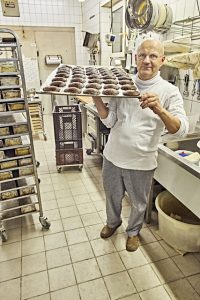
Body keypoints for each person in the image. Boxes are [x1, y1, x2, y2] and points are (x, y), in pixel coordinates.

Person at [92, 39, 189, 252]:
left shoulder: (169, 91)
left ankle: (133, 232)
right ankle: (112, 222)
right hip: (113, 156)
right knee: (112, 196)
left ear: (162, 60)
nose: (147, 60)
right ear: (135, 58)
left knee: (138, 202)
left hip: (142, 162)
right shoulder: (123, 84)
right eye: (142, 55)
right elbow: (109, 121)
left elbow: (181, 129)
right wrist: (96, 97)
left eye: (153, 56)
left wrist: (160, 110)